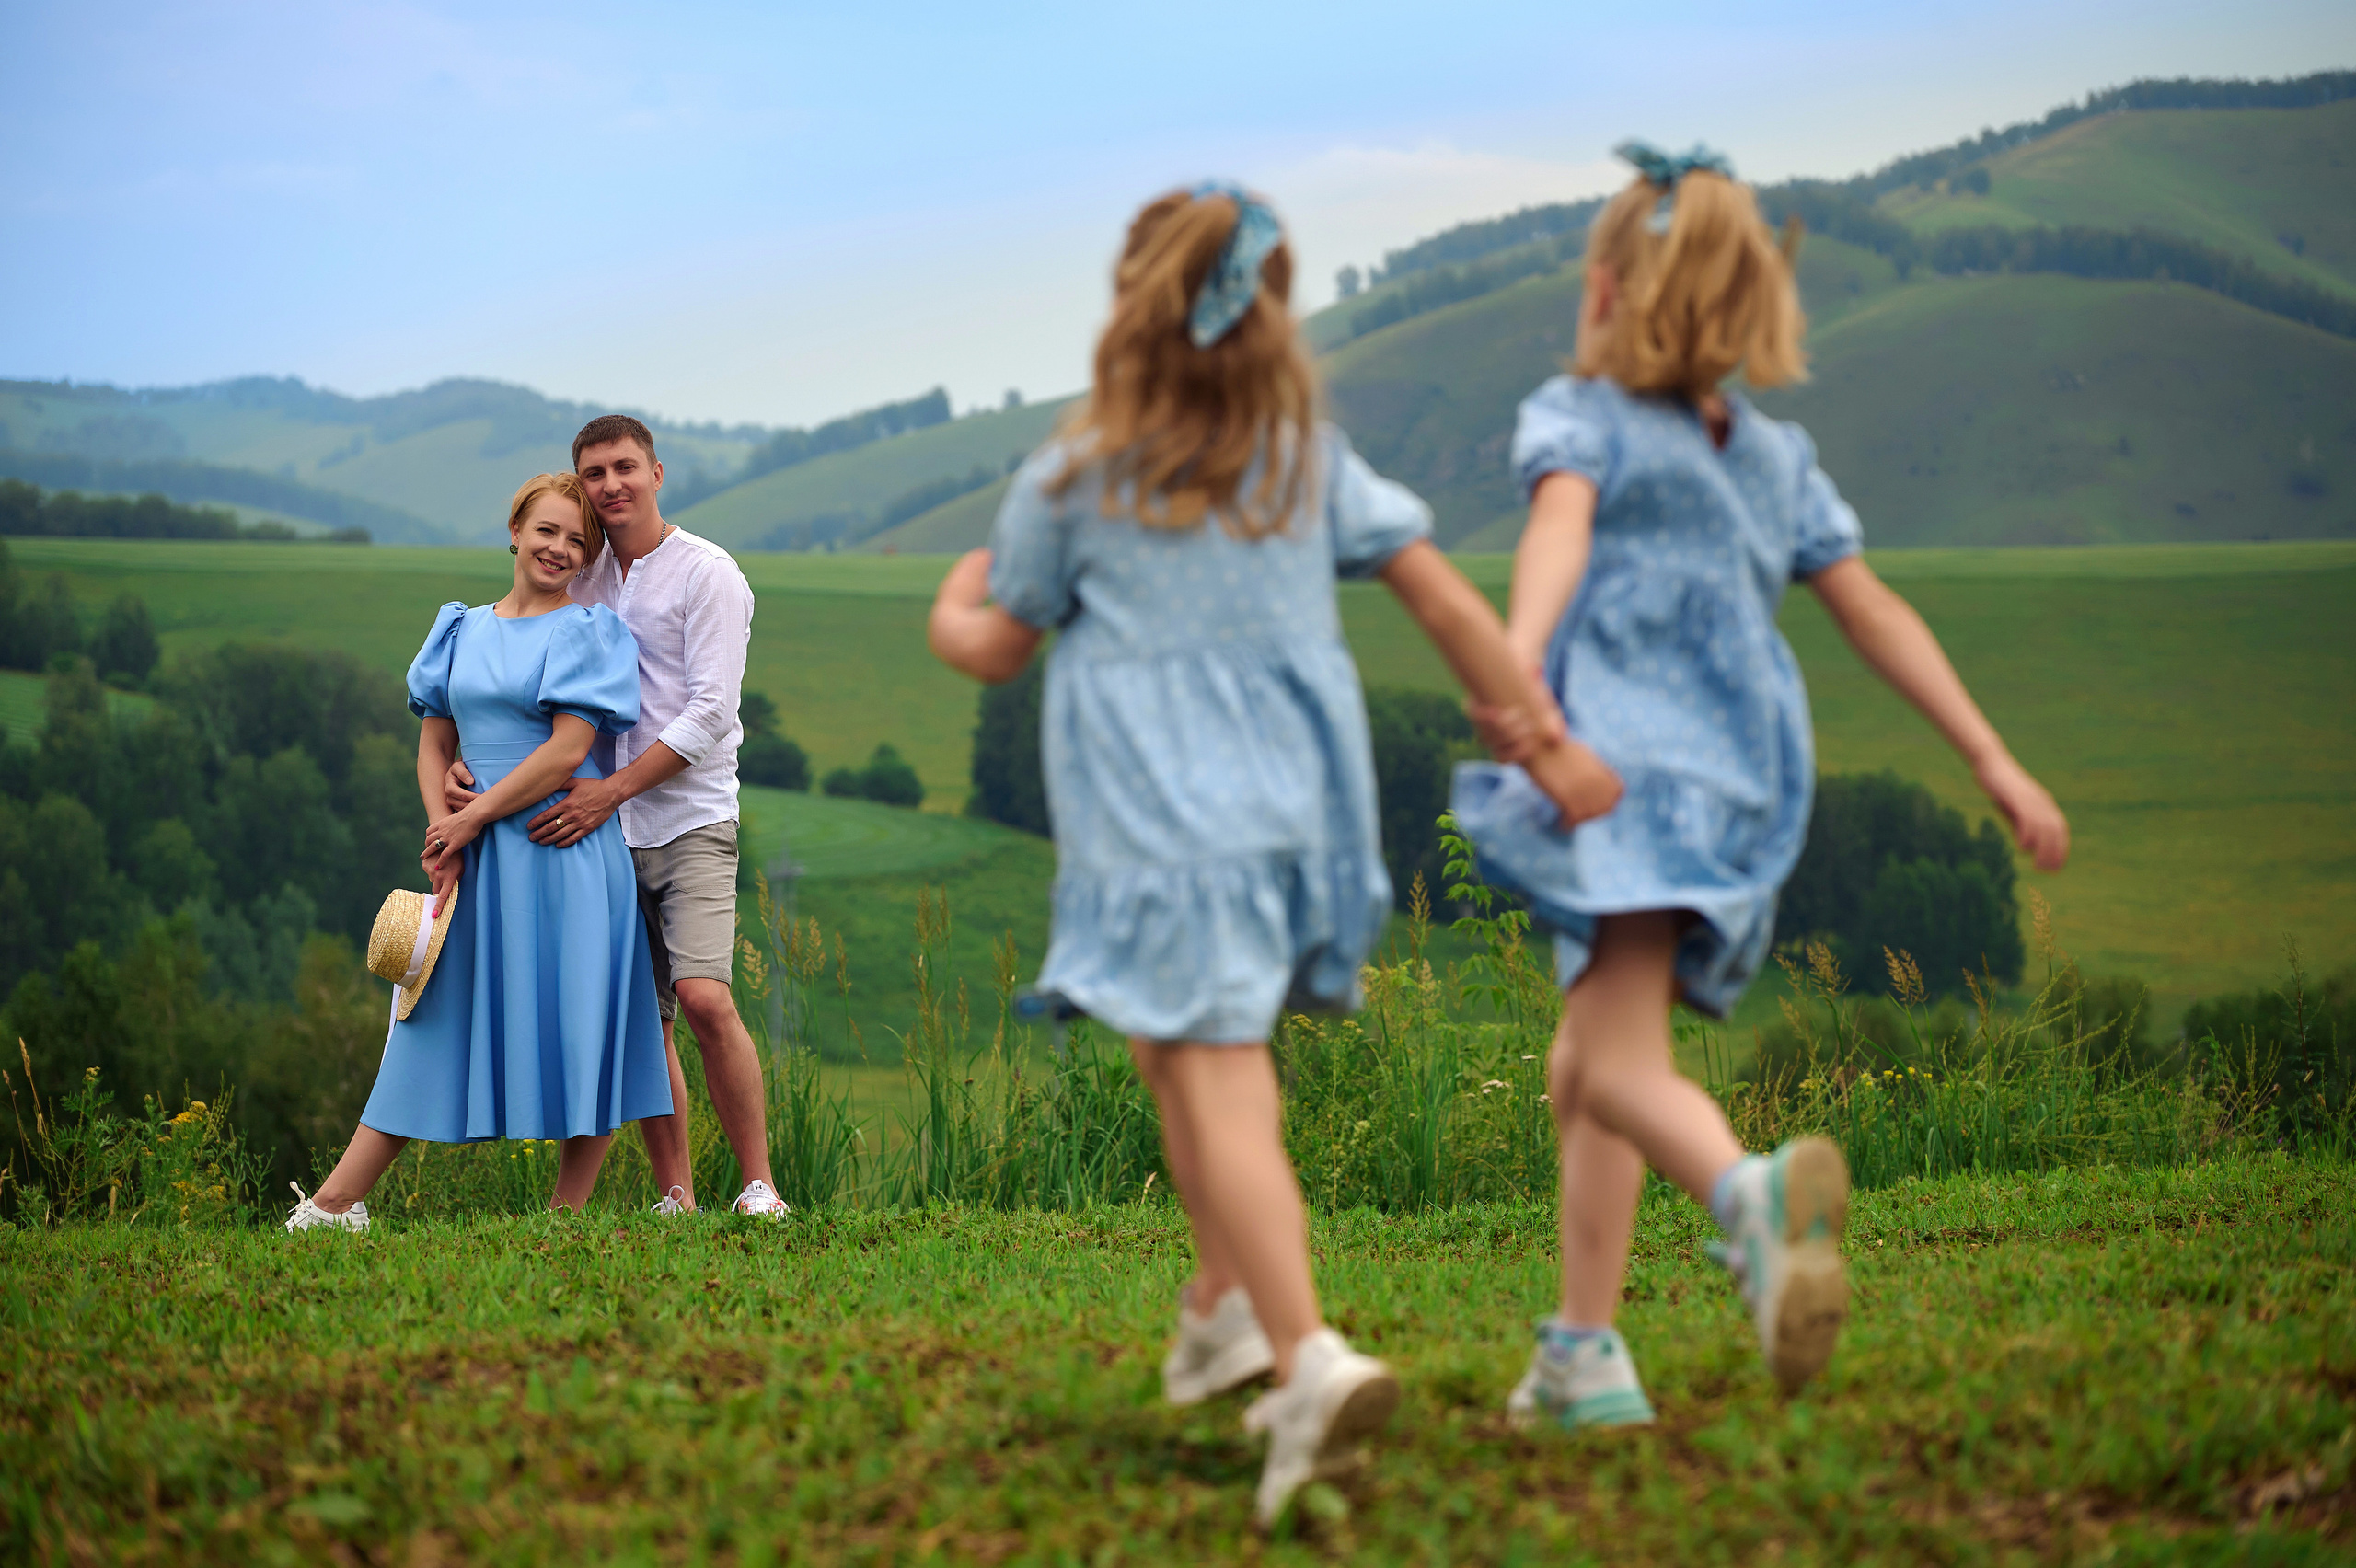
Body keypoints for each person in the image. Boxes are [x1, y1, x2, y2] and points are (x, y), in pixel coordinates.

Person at [926, 183, 1617, 1528]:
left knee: (1217, 1072)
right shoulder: (1307, 462)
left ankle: (1303, 1358)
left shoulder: (1074, 477)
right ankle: (1217, 1306)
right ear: (1273, 318)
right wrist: (1540, 740)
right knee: (1176, 1048)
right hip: (1296, 818)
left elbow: (999, 644)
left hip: (1160, 830)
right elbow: (1445, 600)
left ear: (1131, 311)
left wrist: (951, 602)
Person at [1449, 142, 2072, 1428]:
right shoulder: (1775, 458)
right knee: (1592, 1057)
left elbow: (1555, 535)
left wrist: (1517, 669)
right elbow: (1872, 611)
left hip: (1613, 774)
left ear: (1615, 292)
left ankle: (1749, 1198)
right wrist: (1989, 754)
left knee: (1617, 1069)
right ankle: (1582, 1352)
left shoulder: (1585, 420)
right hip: (1734, 787)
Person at [285, 473, 672, 1231]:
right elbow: (434, 746)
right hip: (476, 857)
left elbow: (567, 753)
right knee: (425, 1018)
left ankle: (565, 1215)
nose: (560, 549)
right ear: (515, 530)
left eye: (577, 540)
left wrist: (473, 820)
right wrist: (444, 831)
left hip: (560, 852)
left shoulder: (587, 632)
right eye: (547, 531)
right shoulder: (460, 628)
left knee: (577, 1020)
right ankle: (337, 1204)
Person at [448, 414, 783, 1217]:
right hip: (591, 832)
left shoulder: (708, 575)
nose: (611, 486)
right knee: (642, 1022)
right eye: (594, 473)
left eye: (625, 468)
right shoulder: (579, 572)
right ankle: (677, 1197)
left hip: (687, 819)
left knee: (703, 998)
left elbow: (709, 717)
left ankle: (761, 1187)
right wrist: (474, 764)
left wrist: (614, 789)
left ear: (657, 473)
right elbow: (519, 674)